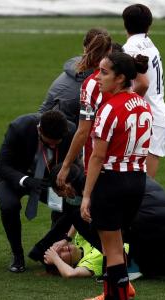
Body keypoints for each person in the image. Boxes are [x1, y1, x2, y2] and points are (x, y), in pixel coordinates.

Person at [80, 51, 152, 300]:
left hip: (111, 181)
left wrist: (86, 194)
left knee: (112, 251)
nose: (97, 78)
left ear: (120, 78)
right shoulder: (142, 105)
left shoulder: (109, 108)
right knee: (117, 245)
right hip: (137, 180)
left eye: (104, 73)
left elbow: (97, 157)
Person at [36, 163, 165, 281]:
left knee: (106, 224)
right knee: (152, 266)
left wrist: (56, 258)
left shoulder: (92, 189)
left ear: (66, 186)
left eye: (60, 194)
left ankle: (118, 263)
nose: (64, 198)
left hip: (148, 219)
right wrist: (67, 238)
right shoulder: (98, 171)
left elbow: (72, 273)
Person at [0, 111, 76, 273]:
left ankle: (46, 250)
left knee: (70, 206)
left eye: (57, 143)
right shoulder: (18, 127)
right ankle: (17, 255)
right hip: (13, 175)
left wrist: (68, 184)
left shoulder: (70, 132)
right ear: (39, 131)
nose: (53, 146)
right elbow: (2, 165)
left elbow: (74, 162)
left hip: (47, 179)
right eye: (49, 143)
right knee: (9, 206)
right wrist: (26, 180)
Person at [121, 4, 165, 178]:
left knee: (142, 185)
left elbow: (142, 84)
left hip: (151, 119)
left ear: (125, 24)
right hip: (157, 115)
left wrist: (125, 108)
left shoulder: (130, 49)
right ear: (149, 25)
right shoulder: (148, 43)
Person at [54, 31, 112, 188]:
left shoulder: (91, 83)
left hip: (97, 158)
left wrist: (66, 165)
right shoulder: (122, 81)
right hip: (125, 163)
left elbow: (82, 131)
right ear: (109, 52)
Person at [38, 28, 109, 124]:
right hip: (57, 133)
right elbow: (83, 131)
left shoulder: (74, 66)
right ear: (109, 51)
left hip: (41, 125)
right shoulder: (93, 85)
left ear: (84, 47)